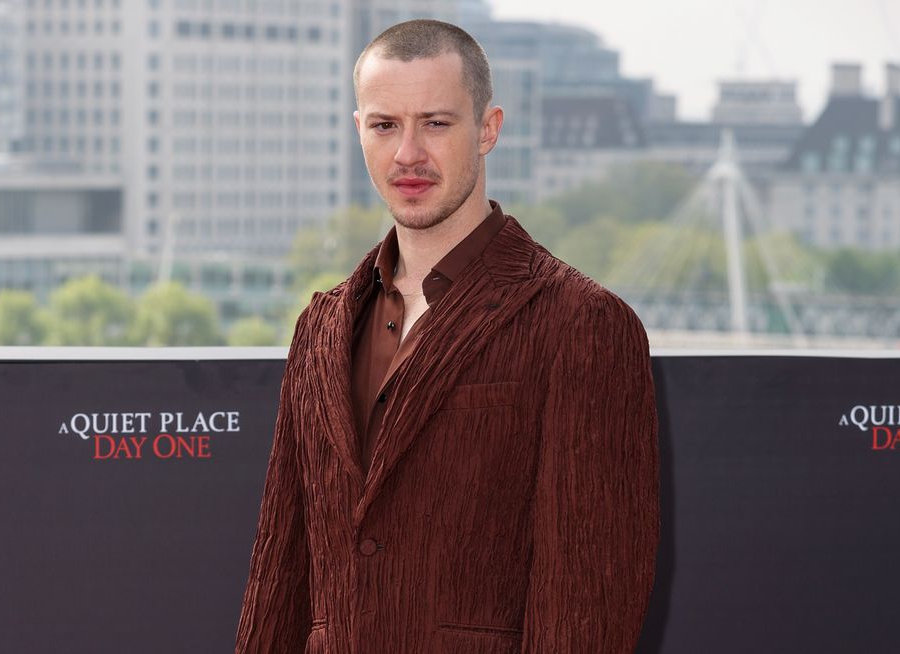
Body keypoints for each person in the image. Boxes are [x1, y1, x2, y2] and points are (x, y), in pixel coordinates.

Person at [236, 19, 659, 654]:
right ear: (359, 133)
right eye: (385, 125)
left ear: (488, 129)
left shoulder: (583, 323)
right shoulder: (320, 327)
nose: (408, 153)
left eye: (435, 123)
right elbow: (280, 574)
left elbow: (586, 609)